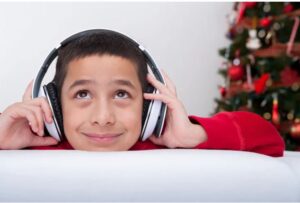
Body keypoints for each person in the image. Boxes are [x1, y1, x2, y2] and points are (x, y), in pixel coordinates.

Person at [0, 30, 285, 156]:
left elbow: (269, 139)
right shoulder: (35, 144)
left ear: (150, 107)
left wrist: (192, 135)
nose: (103, 118)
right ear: (54, 105)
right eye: (83, 94)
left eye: (121, 94)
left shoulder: (160, 139)